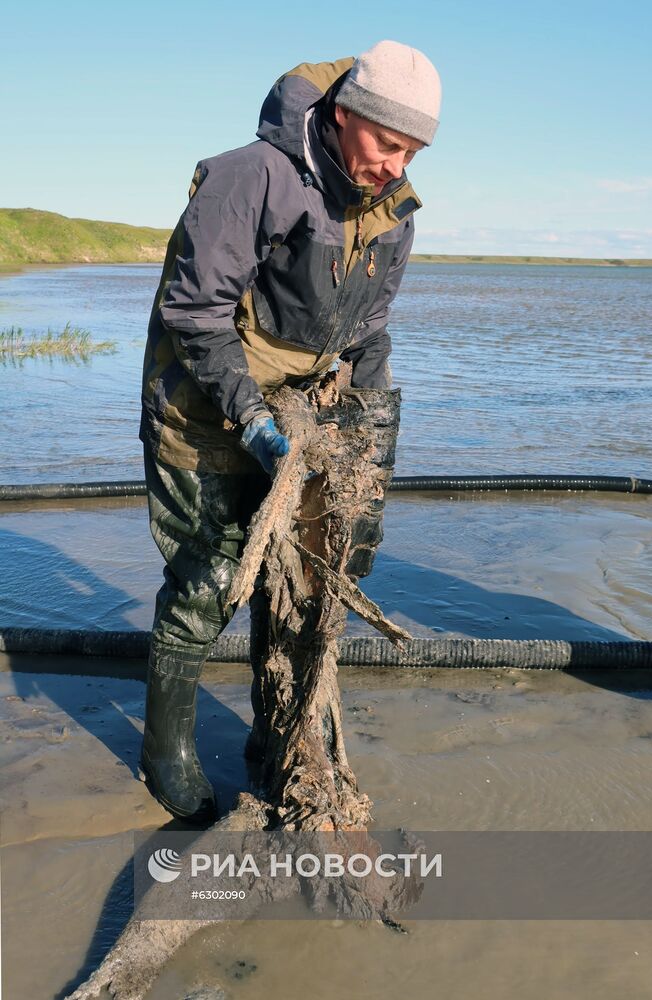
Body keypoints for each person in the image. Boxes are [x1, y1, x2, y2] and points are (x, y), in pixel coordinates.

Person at [139, 40, 441, 822]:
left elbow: (369, 337)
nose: (396, 165)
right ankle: (164, 751)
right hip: (203, 402)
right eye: (386, 143)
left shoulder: (391, 212)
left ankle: (274, 740)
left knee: (303, 584)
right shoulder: (253, 176)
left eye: (412, 150)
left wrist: (365, 460)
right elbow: (194, 314)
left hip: (306, 406)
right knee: (210, 580)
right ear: (344, 117)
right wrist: (251, 420)